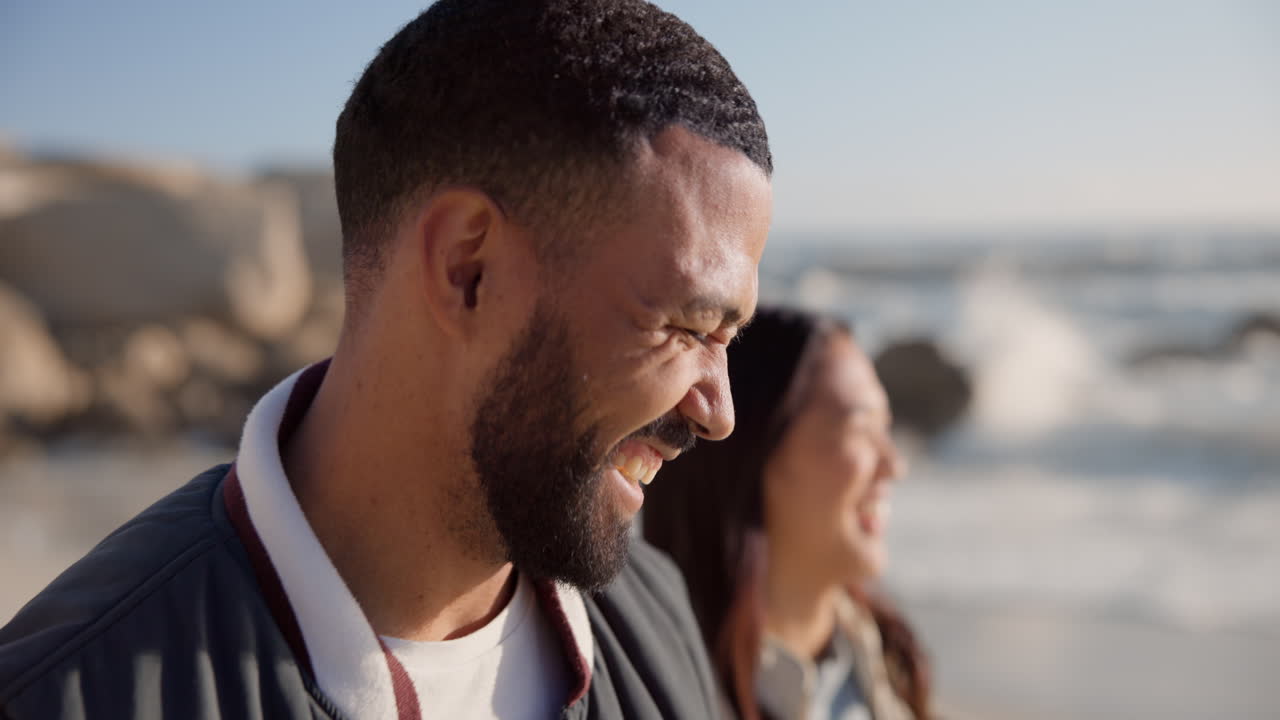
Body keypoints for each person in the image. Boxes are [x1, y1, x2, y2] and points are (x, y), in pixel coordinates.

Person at [0, 1, 773, 718]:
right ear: (468, 269)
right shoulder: (71, 691)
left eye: (730, 341)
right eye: (688, 326)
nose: (720, 413)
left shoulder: (656, 614)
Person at [644, 308, 932, 720]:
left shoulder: (886, 657)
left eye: (886, 429)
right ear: (752, 456)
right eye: (861, 429)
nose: (893, 465)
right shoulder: (651, 691)